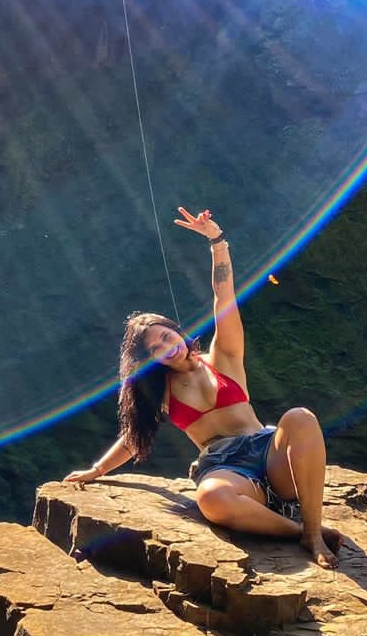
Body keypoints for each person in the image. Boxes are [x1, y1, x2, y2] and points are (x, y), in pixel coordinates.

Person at [63, 206, 343, 569]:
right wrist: (96, 470)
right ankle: (298, 532)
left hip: (268, 455)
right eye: (155, 349)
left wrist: (216, 241)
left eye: (166, 336)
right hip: (227, 469)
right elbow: (134, 437)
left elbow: (222, 297)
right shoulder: (160, 391)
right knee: (210, 498)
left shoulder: (224, 356)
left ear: (178, 331)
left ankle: (315, 530)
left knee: (300, 417)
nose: (167, 347)